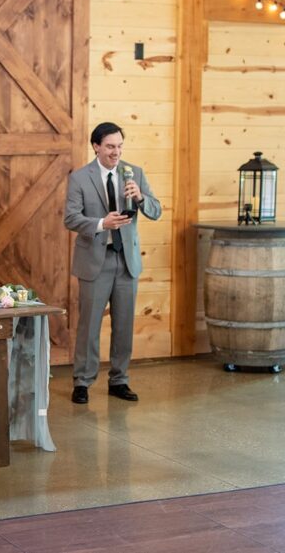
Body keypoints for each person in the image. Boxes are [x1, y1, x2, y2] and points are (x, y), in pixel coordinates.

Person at [64, 122, 161, 404]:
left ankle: (119, 380)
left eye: (119, 146)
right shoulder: (80, 178)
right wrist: (100, 223)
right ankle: (82, 382)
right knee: (89, 325)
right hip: (96, 260)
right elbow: (70, 218)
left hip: (127, 261)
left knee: (124, 325)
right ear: (96, 146)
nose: (116, 152)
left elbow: (156, 211)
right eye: (110, 146)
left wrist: (141, 198)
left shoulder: (134, 173)